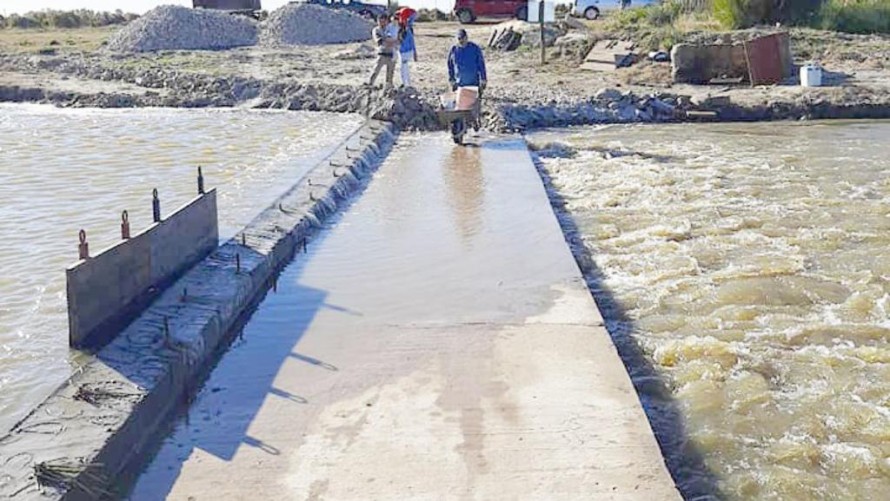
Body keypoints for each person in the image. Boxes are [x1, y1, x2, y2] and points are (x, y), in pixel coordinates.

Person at [447, 28, 487, 93]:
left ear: (466, 37)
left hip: (474, 83)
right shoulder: (454, 49)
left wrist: (483, 78)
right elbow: (450, 66)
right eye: (459, 39)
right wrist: (451, 79)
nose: (461, 40)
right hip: (459, 84)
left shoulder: (474, 48)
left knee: (474, 102)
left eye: (463, 38)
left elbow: (481, 64)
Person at [368, 14, 398, 90]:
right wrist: (391, 42)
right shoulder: (376, 30)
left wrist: (392, 41)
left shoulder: (391, 28)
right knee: (375, 71)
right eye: (380, 21)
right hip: (382, 54)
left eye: (384, 21)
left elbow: (397, 39)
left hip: (391, 54)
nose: (382, 23)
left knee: (390, 74)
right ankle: (369, 85)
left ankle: (388, 89)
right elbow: (379, 41)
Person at [396, 7, 418, 88]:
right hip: (401, 52)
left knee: (404, 68)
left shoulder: (408, 29)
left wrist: (415, 53)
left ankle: (407, 84)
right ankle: (405, 83)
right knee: (403, 68)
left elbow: (412, 42)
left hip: (407, 52)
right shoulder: (399, 29)